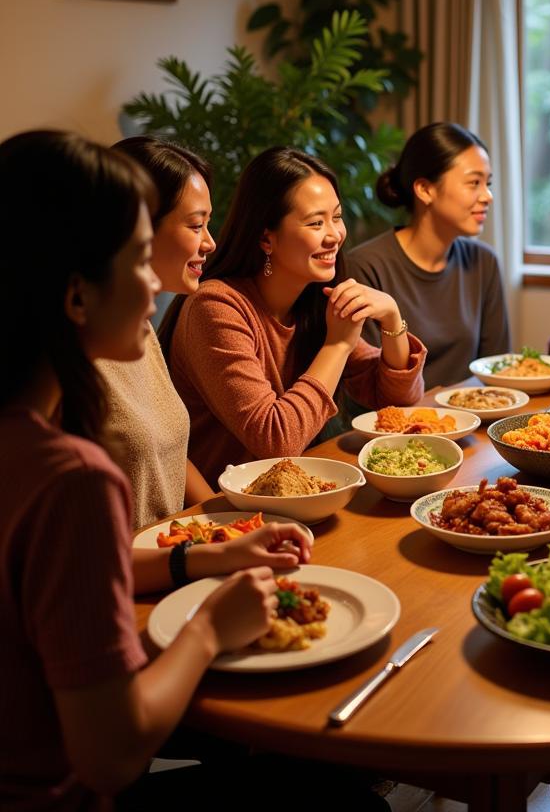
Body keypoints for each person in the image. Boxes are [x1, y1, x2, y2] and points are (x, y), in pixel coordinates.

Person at [0, 130, 319, 807]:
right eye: (139, 257)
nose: (153, 282)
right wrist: (208, 628)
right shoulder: (70, 478)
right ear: (77, 296)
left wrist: (210, 551)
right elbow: (111, 755)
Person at [166, 146, 425, 480]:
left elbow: (397, 399)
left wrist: (392, 319)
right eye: (316, 222)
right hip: (219, 513)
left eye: (337, 216)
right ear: (266, 238)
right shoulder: (216, 307)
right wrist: (338, 346)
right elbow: (275, 439)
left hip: (297, 495)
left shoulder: (312, 300)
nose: (334, 235)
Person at [92, 136, 217, 528]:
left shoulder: (139, 322)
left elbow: (169, 454)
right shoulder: (75, 349)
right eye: (197, 225)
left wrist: (223, 520)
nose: (210, 243)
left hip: (173, 552)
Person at [346, 122, 510, 390]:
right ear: (424, 189)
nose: (488, 196)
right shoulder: (365, 266)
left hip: (473, 422)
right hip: (395, 426)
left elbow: (498, 370)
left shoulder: (484, 263)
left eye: (487, 183)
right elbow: (366, 385)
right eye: (474, 183)